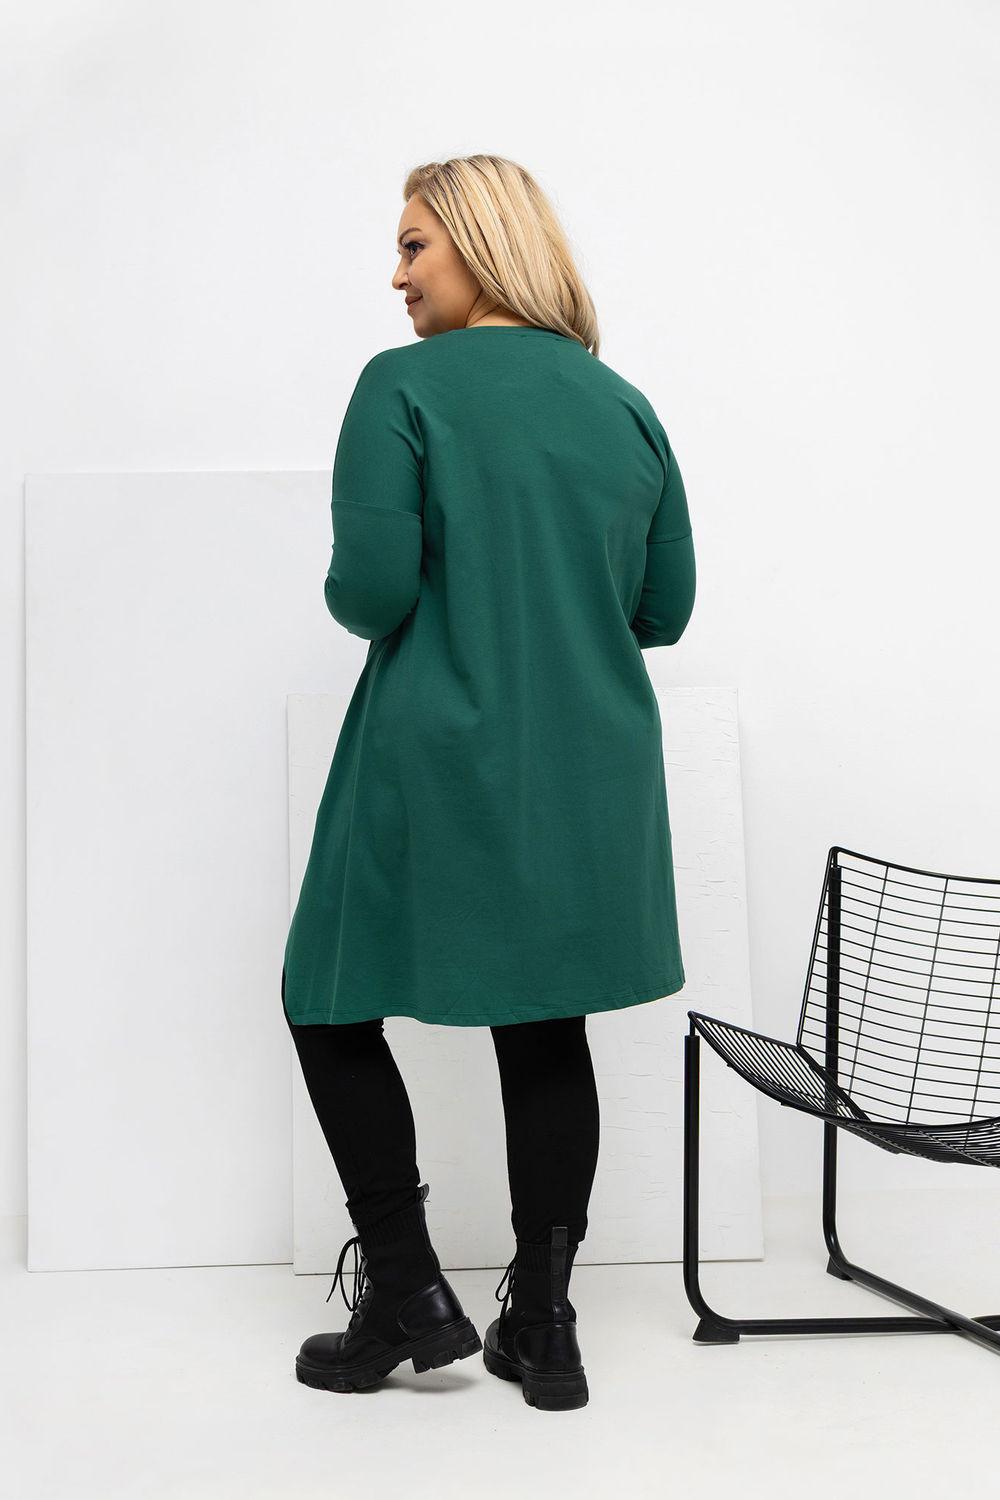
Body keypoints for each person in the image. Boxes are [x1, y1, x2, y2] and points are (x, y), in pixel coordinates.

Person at [282, 154, 697, 1412]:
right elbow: (662, 611)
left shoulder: (400, 385)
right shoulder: (622, 404)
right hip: (589, 766)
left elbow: (371, 596)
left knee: (326, 999)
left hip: (433, 754)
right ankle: (546, 1323)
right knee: (547, 1018)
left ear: (478, 243)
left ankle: (408, 1292)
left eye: (414, 245)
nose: (396, 275)